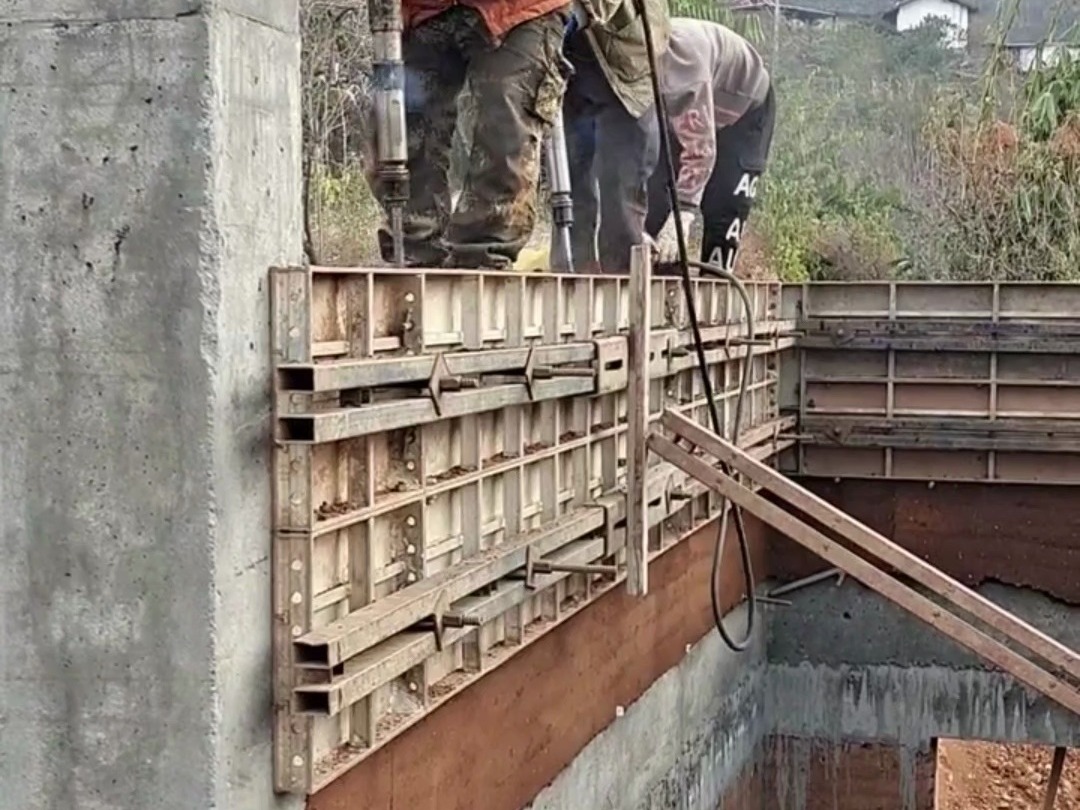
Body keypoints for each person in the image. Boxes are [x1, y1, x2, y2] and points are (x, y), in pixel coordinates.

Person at [379, 0, 664, 270]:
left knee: (506, 116)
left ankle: (483, 255)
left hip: (523, 9)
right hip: (427, 8)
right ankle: (414, 247)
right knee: (404, 122)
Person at [571, 18, 775, 275]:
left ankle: (716, 288)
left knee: (723, 206)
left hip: (744, 110)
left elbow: (700, 151)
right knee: (656, 203)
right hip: (673, 113)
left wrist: (684, 214)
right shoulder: (620, 70)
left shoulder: (683, 72)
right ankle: (662, 291)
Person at [561, 0, 671, 274]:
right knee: (571, 175)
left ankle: (620, 276)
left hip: (625, 62)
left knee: (622, 180)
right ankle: (574, 266)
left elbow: (601, 7)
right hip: (572, 55)